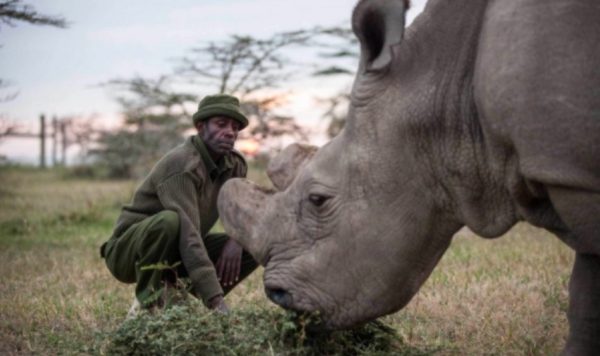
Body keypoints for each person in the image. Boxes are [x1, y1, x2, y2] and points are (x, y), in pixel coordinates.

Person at [100, 94, 258, 313]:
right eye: (221, 124)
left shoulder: (236, 165)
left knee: (253, 244)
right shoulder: (182, 165)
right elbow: (189, 233)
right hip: (128, 253)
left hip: (177, 250)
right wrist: (216, 300)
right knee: (170, 221)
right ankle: (148, 304)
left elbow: (242, 210)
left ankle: (178, 298)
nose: (230, 132)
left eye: (235, 127)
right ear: (201, 127)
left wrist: (237, 241)